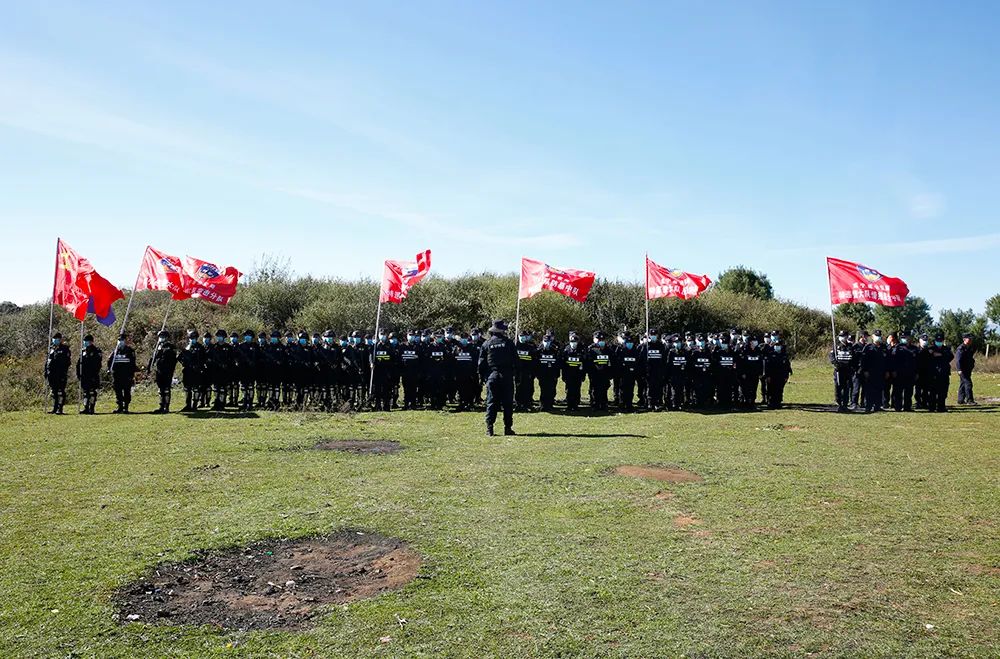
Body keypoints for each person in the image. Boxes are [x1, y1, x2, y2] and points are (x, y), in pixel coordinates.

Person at [478, 319, 516, 436]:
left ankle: (490, 429)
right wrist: (515, 375)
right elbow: (516, 361)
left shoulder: (486, 344)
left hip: (492, 376)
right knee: (507, 403)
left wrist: (482, 377)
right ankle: (508, 428)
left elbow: (481, 364)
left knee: (491, 402)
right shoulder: (509, 343)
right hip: (506, 376)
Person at [147, 330, 178, 413]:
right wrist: (149, 367)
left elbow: (172, 359)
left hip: (167, 371)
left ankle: (166, 407)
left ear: (167, 337)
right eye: (160, 337)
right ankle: (161, 406)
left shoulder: (170, 347)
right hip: (159, 370)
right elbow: (153, 358)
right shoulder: (157, 346)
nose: (161, 338)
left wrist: (163, 351)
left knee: (166, 389)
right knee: (160, 389)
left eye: (163, 337)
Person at [107, 334, 137, 413]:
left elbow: (133, 363)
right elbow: (109, 361)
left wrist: (132, 374)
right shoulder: (115, 351)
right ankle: (120, 407)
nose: (120, 342)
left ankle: (126, 407)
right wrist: (109, 369)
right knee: (118, 391)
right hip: (117, 375)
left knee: (127, 391)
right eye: (119, 340)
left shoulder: (130, 351)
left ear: (125, 341)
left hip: (127, 375)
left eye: (122, 340)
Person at [829, 331, 857, 412]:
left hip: (848, 370)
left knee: (846, 388)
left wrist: (852, 367)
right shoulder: (835, 346)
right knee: (838, 387)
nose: (843, 337)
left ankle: (845, 404)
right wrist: (835, 363)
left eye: (844, 336)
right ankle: (839, 402)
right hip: (839, 370)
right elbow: (831, 357)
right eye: (841, 336)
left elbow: (853, 357)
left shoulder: (850, 346)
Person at [640, 329, 668, 411]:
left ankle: (657, 403)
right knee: (650, 388)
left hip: (658, 371)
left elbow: (664, 359)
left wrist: (663, 371)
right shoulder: (646, 346)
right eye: (652, 335)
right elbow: (642, 359)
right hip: (649, 371)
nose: (653, 336)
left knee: (658, 388)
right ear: (649, 335)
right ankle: (649, 403)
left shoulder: (661, 346)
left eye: (655, 335)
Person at [859, 331, 887, 413]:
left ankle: (877, 406)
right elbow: (863, 360)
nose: (878, 337)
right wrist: (865, 370)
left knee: (879, 390)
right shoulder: (868, 347)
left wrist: (887, 371)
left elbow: (887, 360)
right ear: (872, 337)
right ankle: (868, 406)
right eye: (876, 336)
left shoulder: (883, 347)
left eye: (879, 336)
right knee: (869, 390)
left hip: (880, 372)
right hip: (870, 373)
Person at [890, 330, 917, 412]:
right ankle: (898, 406)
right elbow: (893, 360)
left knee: (909, 391)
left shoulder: (914, 349)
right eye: (903, 337)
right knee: (898, 391)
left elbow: (917, 362)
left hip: (910, 373)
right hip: (899, 373)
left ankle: (907, 407)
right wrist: (893, 371)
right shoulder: (897, 348)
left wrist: (916, 372)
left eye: (906, 337)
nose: (905, 339)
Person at [44, 333, 72, 414]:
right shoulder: (51, 348)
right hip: (51, 374)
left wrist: (63, 371)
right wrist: (46, 372)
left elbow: (67, 362)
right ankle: (54, 408)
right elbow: (47, 362)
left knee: (60, 392)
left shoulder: (65, 349)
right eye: (54, 339)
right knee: (54, 392)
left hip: (60, 374)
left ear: (60, 340)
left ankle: (60, 408)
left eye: (57, 339)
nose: (55, 340)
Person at [614, 332, 642, 412]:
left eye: (631, 343)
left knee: (630, 390)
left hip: (632, 374)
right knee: (622, 390)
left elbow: (637, 362)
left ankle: (629, 405)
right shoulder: (620, 350)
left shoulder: (635, 351)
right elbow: (617, 362)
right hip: (623, 374)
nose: (630, 344)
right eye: (628, 343)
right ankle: (622, 405)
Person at [370, 332, 397, 411]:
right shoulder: (375, 346)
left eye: (384, 335)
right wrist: (371, 363)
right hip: (377, 371)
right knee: (377, 390)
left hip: (387, 371)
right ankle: (377, 405)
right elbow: (371, 356)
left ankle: (386, 406)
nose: (382, 336)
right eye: (381, 334)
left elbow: (393, 358)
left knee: (386, 390)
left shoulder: (390, 346)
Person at [927, 333, 954, 412]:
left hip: (944, 373)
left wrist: (940, 355)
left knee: (943, 392)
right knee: (933, 392)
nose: (939, 342)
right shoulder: (930, 349)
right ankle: (932, 407)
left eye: (941, 340)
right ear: (935, 341)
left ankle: (941, 407)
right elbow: (927, 357)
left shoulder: (946, 349)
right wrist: (936, 355)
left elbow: (950, 357)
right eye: (938, 340)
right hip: (933, 374)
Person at [453, 332, 480, 411]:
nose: (463, 340)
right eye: (462, 338)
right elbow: (453, 361)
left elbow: (475, 361)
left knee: (470, 389)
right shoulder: (456, 349)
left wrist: (474, 372)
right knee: (460, 389)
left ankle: (470, 403)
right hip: (459, 373)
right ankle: (461, 403)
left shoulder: (472, 348)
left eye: (465, 338)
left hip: (470, 373)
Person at [587, 331, 613, 411]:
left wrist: (610, 374)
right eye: (598, 339)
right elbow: (588, 362)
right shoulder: (591, 349)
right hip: (595, 373)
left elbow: (612, 361)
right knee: (595, 390)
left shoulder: (608, 349)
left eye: (602, 339)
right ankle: (595, 404)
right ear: (594, 339)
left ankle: (604, 404)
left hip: (605, 373)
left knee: (604, 389)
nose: (600, 341)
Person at [76, 334, 102, 414]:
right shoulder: (83, 351)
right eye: (85, 341)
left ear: (91, 342)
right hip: (84, 375)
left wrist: (94, 374)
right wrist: (78, 374)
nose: (85, 343)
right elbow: (79, 363)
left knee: (92, 392)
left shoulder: (96, 351)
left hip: (92, 375)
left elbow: (98, 364)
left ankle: (92, 407)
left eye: (87, 341)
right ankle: (86, 407)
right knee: (85, 392)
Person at [561, 331, 587, 411]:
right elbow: (563, 364)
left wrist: (583, 375)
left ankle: (575, 405)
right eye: (572, 342)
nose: (573, 343)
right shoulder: (566, 350)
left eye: (575, 342)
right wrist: (564, 375)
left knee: (576, 390)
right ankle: (569, 405)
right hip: (569, 374)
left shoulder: (581, 350)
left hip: (578, 375)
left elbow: (584, 363)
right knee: (569, 390)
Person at [536, 332, 562, 412]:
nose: (546, 343)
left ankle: (550, 405)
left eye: (548, 341)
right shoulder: (539, 350)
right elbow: (536, 363)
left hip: (552, 374)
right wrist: (537, 374)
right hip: (542, 374)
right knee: (543, 390)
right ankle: (543, 405)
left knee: (551, 389)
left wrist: (557, 374)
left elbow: (558, 363)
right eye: (545, 341)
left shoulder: (555, 350)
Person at [763, 339, 792, 409]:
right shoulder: (770, 354)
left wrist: (786, 376)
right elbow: (767, 366)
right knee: (771, 389)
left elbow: (787, 366)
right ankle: (770, 402)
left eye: (779, 345)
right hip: (772, 376)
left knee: (779, 389)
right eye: (776, 345)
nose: (777, 347)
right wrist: (767, 376)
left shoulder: (784, 355)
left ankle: (778, 402)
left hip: (781, 376)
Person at [514, 330, 538, 412]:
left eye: (523, 336)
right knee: (518, 387)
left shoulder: (530, 347)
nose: (522, 338)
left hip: (527, 371)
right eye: (520, 336)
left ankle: (527, 404)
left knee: (527, 387)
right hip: (518, 371)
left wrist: (533, 371)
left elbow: (534, 360)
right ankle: (518, 404)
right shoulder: (515, 346)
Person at [955, 333, 977, 405]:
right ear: (964, 339)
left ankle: (960, 400)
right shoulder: (961, 348)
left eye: (971, 338)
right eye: (969, 338)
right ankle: (969, 400)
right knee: (968, 384)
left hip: (968, 369)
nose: (970, 340)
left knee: (963, 384)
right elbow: (958, 360)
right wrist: (959, 369)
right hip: (962, 370)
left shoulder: (970, 347)